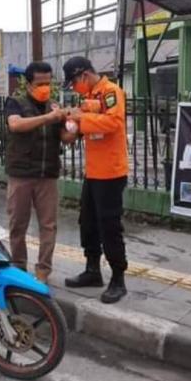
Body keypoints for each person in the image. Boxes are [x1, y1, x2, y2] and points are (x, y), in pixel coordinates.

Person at [62, 56, 130, 304]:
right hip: (93, 172)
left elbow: (113, 122)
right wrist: (68, 120)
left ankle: (118, 278)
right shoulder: (89, 95)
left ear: (83, 76)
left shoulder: (112, 92)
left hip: (111, 172)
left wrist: (80, 119)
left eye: (73, 83)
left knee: (109, 226)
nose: (74, 88)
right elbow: (79, 126)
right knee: (87, 221)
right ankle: (92, 270)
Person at [4, 61, 74, 284]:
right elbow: (15, 125)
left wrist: (74, 125)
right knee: (17, 224)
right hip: (21, 175)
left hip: (47, 175)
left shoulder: (54, 106)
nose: (45, 87)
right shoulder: (15, 103)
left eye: (48, 82)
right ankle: (18, 268)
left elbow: (66, 138)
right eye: (40, 83)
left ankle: (43, 272)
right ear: (29, 84)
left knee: (48, 226)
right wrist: (48, 118)